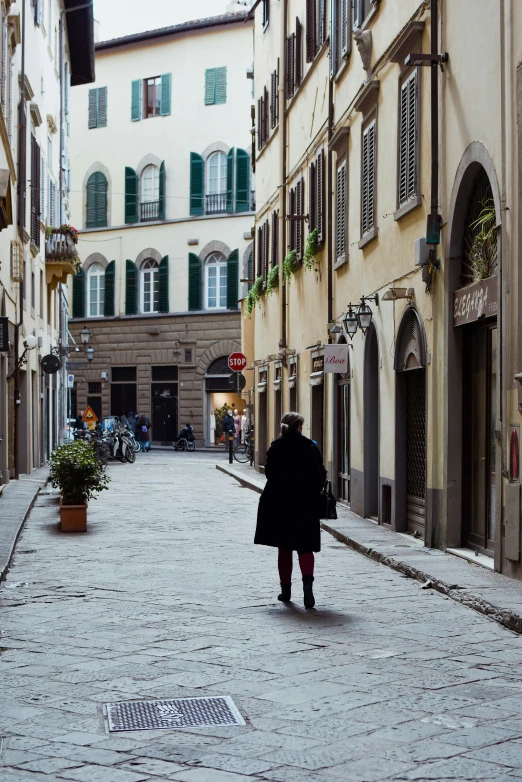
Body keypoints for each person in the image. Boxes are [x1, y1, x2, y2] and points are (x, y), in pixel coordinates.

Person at [254, 411, 326, 609]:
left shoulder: (277, 447)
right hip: (305, 505)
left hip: (280, 504)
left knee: (284, 547)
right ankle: (308, 587)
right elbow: (320, 477)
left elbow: (269, 473)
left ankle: (285, 591)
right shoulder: (310, 447)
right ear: (300, 427)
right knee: (305, 547)